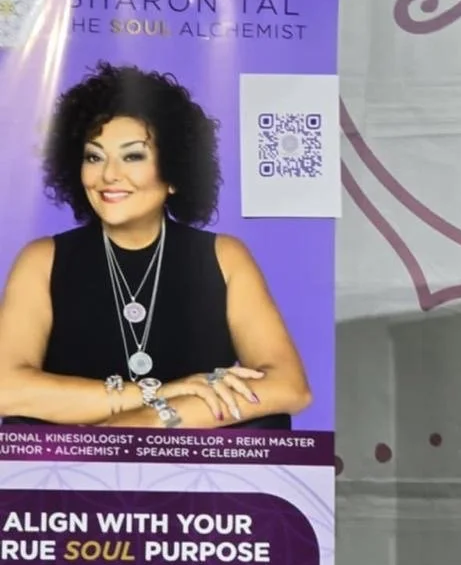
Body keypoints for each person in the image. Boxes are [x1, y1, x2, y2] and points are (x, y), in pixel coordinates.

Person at [0, 62, 311, 431]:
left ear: (175, 174)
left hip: (200, 475)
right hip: (73, 479)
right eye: (93, 156)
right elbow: (7, 390)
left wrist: (153, 419)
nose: (109, 175)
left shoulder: (224, 257)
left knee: (269, 420)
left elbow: (290, 388)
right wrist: (157, 393)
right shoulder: (43, 260)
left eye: (133, 155)